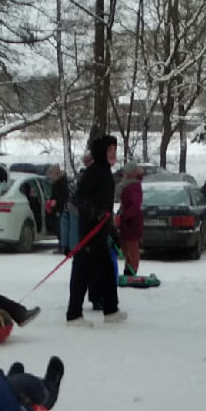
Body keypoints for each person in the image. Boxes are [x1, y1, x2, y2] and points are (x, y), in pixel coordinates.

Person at [66, 135, 125, 327]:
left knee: (107, 271)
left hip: (101, 233)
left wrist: (111, 229)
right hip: (90, 233)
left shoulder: (106, 172)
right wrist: (97, 214)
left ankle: (111, 310)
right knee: (82, 272)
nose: (113, 154)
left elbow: (106, 204)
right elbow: (79, 199)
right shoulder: (93, 172)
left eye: (115, 150)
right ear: (101, 152)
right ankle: (73, 314)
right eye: (110, 150)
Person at [117, 161, 144, 275]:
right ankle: (128, 268)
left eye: (125, 172)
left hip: (132, 222)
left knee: (132, 247)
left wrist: (123, 216)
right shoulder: (128, 186)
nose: (123, 175)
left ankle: (132, 269)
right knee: (126, 247)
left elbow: (134, 206)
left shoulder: (132, 187)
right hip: (127, 222)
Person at [45, 164, 69, 253]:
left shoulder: (61, 183)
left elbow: (63, 196)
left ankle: (62, 245)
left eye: (51, 174)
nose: (50, 176)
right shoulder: (57, 183)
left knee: (60, 227)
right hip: (57, 208)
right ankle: (61, 244)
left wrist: (56, 202)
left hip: (60, 208)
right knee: (58, 227)